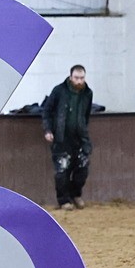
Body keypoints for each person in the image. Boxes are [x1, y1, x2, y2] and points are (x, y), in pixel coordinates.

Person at [41, 65, 93, 210]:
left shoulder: (88, 93)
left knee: (82, 168)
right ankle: (64, 200)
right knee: (62, 170)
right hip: (61, 136)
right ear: (70, 77)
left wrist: (83, 128)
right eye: (76, 78)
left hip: (80, 136)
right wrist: (48, 130)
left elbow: (86, 114)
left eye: (82, 78)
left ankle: (76, 194)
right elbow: (47, 111)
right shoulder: (59, 91)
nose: (79, 81)